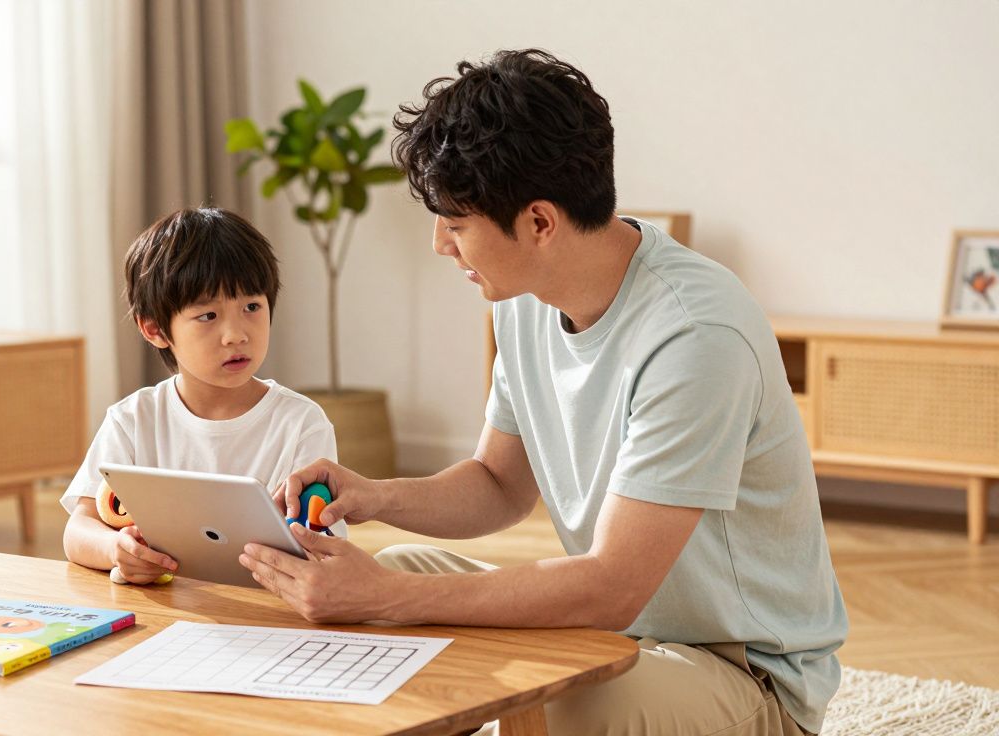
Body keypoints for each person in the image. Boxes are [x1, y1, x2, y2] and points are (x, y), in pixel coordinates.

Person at [239, 49, 846, 736]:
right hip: (616, 632)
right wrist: (376, 497)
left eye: (457, 223)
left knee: (559, 693)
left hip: (742, 671)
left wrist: (390, 598)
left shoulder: (695, 336)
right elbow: (499, 485)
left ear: (538, 223)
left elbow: (612, 587)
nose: (442, 245)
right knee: (401, 570)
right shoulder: (522, 299)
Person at [61, 207, 342, 584]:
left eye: (252, 307)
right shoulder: (133, 419)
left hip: (268, 613)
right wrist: (117, 551)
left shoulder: (300, 423)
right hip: (165, 611)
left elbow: (322, 548)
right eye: (208, 316)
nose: (236, 334)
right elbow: (77, 530)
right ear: (156, 329)